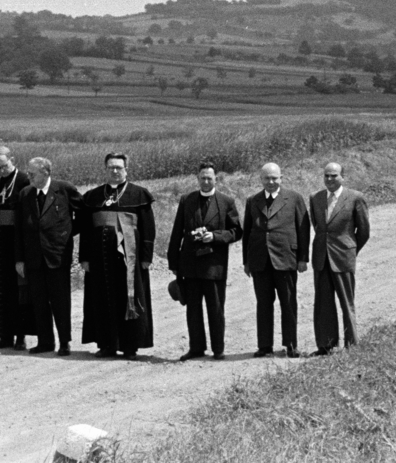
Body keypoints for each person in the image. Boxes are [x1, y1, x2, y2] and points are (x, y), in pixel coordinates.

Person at [77, 152, 156, 358]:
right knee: (102, 298)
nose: (114, 171)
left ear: (126, 170)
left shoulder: (139, 194)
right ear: (105, 169)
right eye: (111, 167)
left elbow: (148, 228)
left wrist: (146, 257)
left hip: (130, 259)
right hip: (99, 258)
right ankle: (106, 345)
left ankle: (130, 346)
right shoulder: (93, 196)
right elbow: (85, 230)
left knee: (129, 297)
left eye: (119, 168)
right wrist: (84, 257)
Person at [167, 160, 242, 360]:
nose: (206, 182)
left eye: (209, 178)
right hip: (190, 265)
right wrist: (173, 263)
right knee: (193, 308)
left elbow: (236, 231)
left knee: (216, 307)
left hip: (214, 264)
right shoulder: (187, 200)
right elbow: (177, 233)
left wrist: (215, 237)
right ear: (197, 178)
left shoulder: (226, 202)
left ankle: (218, 349)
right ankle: (196, 348)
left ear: (216, 179)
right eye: (202, 178)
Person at [240, 161, 309, 358]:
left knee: (288, 302)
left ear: (281, 178)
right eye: (266, 178)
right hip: (260, 261)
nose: (270, 182)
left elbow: (303, 229)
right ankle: (264, 346)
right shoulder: (253, 200)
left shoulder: (294, 198)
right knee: (263, 303)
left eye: (274, 178)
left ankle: (291, 345)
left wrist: (302, 258)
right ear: (260, 179)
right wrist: (247, 261)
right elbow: (248, 232)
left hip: (285, 258)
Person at [14, 156, 80, 356]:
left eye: (33, 173)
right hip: (33, 258)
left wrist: (66, 233)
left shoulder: (64, 190)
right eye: (28, 173)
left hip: (57, 256)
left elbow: (84, 214)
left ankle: (64, 342)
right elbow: (19, 228)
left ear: (46, 173)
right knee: (39, 301)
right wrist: (19, 259)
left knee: (60, 301)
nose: (29, 176)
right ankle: (45, 341)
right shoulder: (25, 194)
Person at [309, 162, 370, 356]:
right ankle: (326, 345)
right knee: (323, 303)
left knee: (346, 302)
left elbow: (364, 231)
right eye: (326, 175)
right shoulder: (315, 198)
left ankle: (351, 345)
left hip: (343, 258)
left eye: (334, 175)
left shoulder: (355, 198)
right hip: (321, 258)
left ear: (343, 176)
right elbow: (318, 227)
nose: (329, 179)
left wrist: (350, 250)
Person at [0, 145, 31, 349]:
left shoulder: (24, 181)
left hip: (17, 240)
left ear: (13, 160)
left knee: (18, 289)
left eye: (4, 166)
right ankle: (4, 335)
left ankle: (20, 336)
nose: (1, 171)